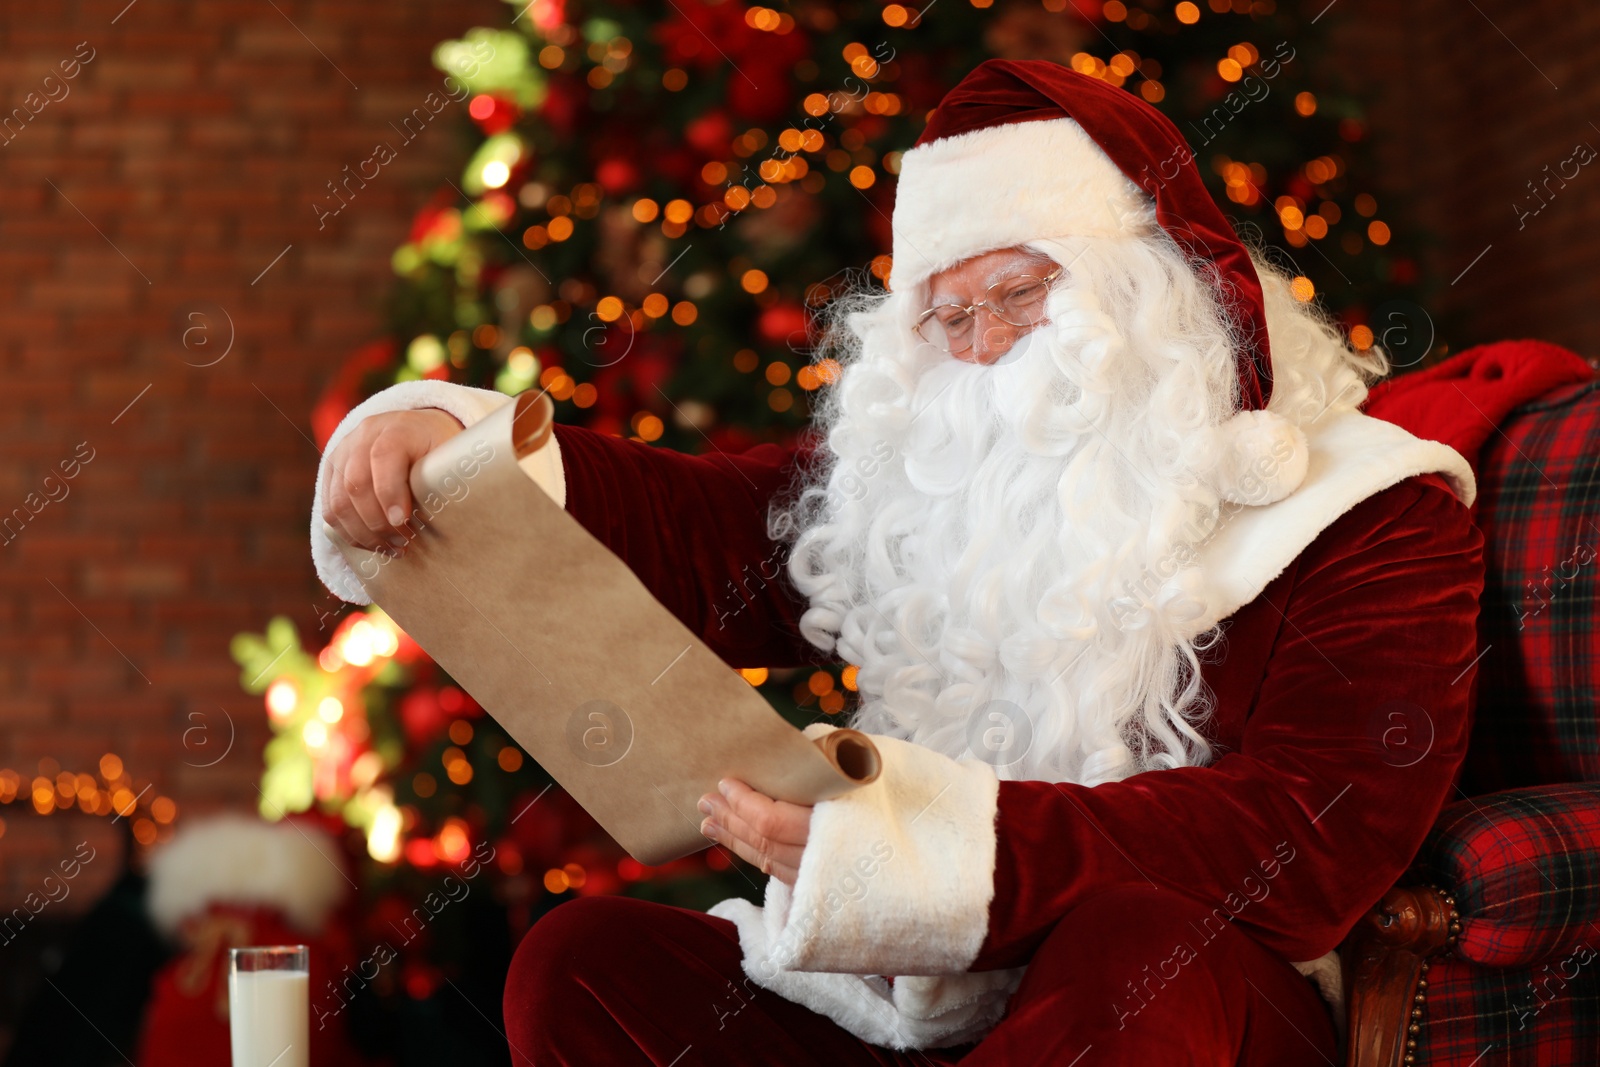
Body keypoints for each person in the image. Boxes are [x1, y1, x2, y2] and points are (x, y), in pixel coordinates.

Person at [311, 59, 1483, 1065]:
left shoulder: (1366, 507)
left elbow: (1302, 833)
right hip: (913, 1006)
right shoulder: (931, 478)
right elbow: (704, 529)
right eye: (945, 318)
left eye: (1018, 296)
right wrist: (453, 451)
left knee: (1139, 946)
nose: (983, 354)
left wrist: (924, 849)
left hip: (1189, 1006)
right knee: (588, 961)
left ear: (1149, 287)